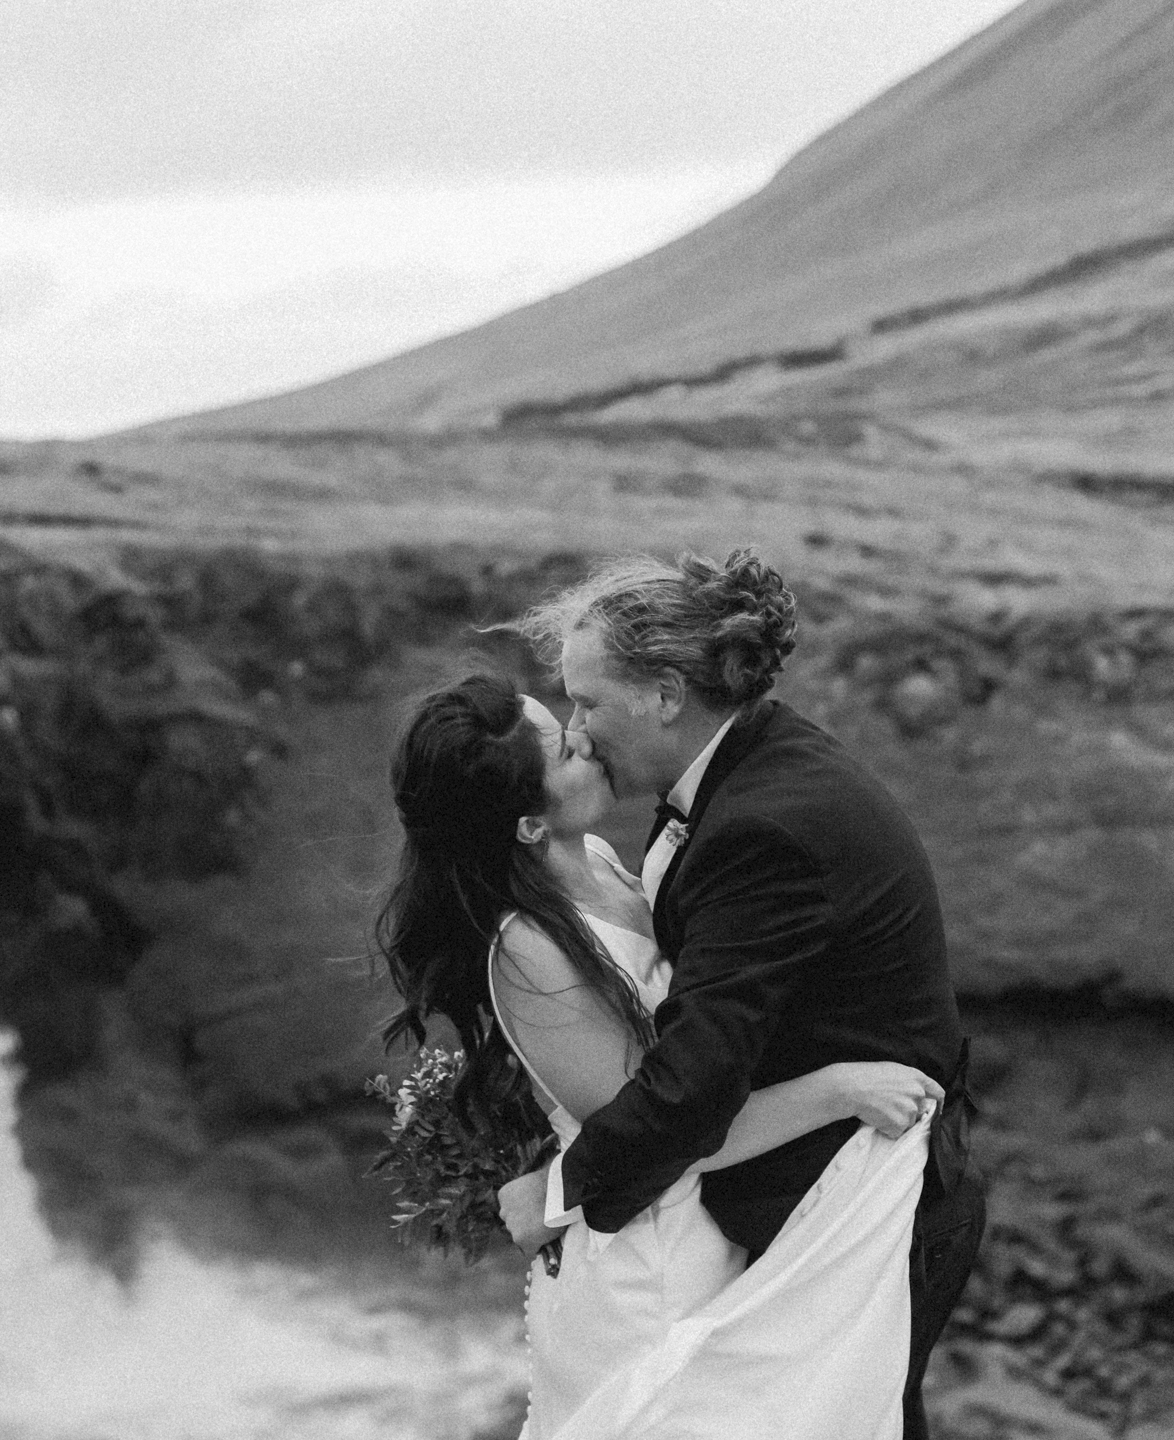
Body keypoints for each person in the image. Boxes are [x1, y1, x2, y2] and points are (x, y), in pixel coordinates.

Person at [377, 670, 945, 1439]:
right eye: (563, 753)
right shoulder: (528, 951)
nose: (586, 737)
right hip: (647, 1265)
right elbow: (665, 1130)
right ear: (527, 825)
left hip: (707, 1230)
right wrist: (837, 1089)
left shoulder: (607, 869)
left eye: (567, 721)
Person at [499, 548, 986, 1439]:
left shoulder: (763, 826)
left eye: (589, 700)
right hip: (802, 1195)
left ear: (664, 695)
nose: (577, 726)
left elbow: (693, 1081)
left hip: (863, 1206)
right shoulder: (740, 768)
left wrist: (558, 1188)